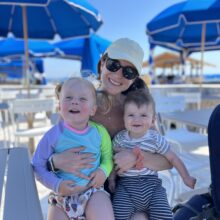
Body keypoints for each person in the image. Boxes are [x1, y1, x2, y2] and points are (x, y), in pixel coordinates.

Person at [48, 38, 173, 220]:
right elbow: (45, 158)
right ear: (102, 64)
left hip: (127, 194)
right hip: (79, 190)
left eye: (128, 72)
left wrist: (137, 157)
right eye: (113, 65)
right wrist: (56, 162)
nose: (118, 74)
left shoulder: (135, 111)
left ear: (135, 78)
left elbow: (167, 161)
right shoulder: (79, 103)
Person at [32, 77, 114, 220]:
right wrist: (56, 184)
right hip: (62, 198)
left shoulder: (100, 133)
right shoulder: (53, 135)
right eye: (68, 97)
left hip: (92, 192)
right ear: (59, 106)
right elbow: (37, 165)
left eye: (82, 99)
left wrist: (103, 171)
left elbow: (108, 158)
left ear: (93, 110)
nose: (74, 102)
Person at [108, 89, 196, 220]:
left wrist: (186, 177)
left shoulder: (155, 138)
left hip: (152, 188)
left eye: (143, 115)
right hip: (126, 188)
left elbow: (173, 158)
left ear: (153, 119)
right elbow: (113, 159)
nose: (137, 119)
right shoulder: (120, 139)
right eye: (131, 115)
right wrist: (111, 178)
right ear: (124, 118)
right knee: (118, 214)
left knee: (164, 215)